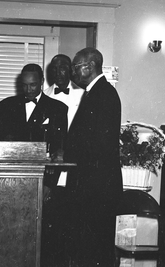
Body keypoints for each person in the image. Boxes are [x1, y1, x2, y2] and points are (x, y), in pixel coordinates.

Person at [63, 47, 122, 266]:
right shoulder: (95, 93)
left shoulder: (104, 94)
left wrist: (69, 152)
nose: (73, 73)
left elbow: (100, 145)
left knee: (96, 249)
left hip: (98, 188)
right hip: (93, 185)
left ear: (90, 66)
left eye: (75, 67)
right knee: (89, 247)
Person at [43, 54, 85, 266]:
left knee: (72, 229)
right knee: (49, 229)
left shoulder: (83, 95)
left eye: (63, 68)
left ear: (70, 70)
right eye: (55, 68)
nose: (59, 72)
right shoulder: (43, 95)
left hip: (74, 171)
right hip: (50, 174)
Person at [0, 63, 68, 159]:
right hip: (12, 165)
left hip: (45, 168)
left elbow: (60, 145)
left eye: (33, 85)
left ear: (42, 81)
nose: (28, 90)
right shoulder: (7, 105)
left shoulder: (58, 108)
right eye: (24, 85)